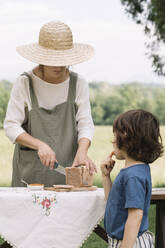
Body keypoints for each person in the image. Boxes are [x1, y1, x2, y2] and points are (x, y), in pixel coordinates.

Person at [4, 20, 97, 188]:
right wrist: (39, 145)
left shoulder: (78, 83)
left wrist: (82, 150)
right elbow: (11, 126)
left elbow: (85, 123)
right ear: (41, 58)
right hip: (30, 177)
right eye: (53, 59)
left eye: (64, 59)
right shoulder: (25, 83)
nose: (59, 65)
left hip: (68, 178)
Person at [100, 109, 163, 248]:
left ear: (127, 138)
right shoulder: (133, 171)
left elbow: (135, 217)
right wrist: (106, 177)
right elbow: (113, 202)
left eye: (115, 135)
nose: (113, 140)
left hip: (130, 243)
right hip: (126, 241)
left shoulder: (133, 176)